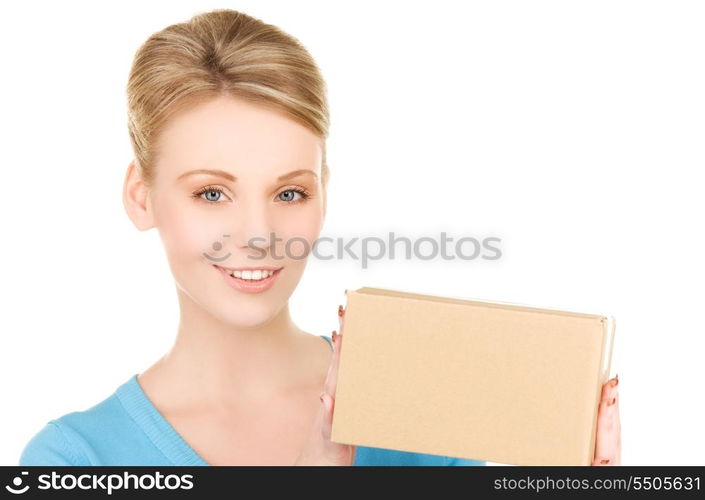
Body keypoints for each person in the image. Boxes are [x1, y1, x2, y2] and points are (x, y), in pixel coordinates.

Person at [18, 8, 620, 466]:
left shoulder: (424, 412)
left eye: (289, 193)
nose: (258, 236)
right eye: (211, 193)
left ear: (323, 192)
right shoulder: (76, 459)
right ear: (140, 195)